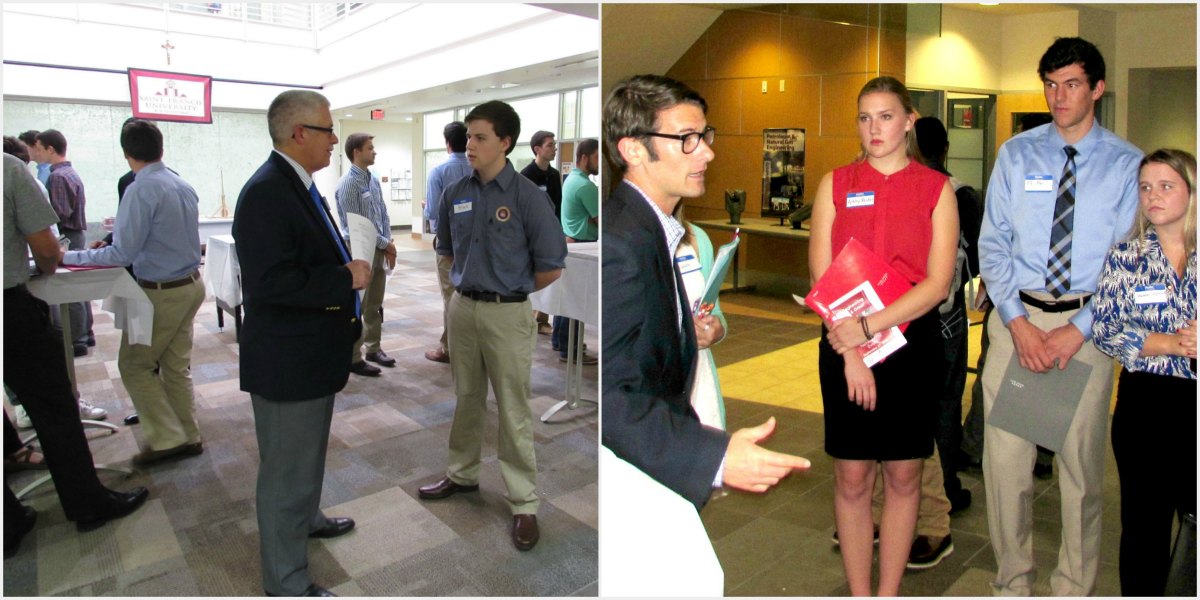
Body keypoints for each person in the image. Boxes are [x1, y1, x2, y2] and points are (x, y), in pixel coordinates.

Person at [600, 74, 811, 595]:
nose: (707, 153)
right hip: (629, 470)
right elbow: (610, 394)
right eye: (687, 139)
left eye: (706, 135)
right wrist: (713, 457)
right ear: (634, 149)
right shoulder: (624, 242)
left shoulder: (655, 230)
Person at [977, 37, 1142, 596]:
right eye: (1050, 84)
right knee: (1005, 469)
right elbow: (992, 245)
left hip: (1086, 331)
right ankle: (1012, 582)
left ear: (1096, 88)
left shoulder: (1126, 165)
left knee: (1080, 474)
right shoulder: (1017, 155)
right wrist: (1018, 323)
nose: (1058, 96)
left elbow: (1126, 259)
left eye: (1071, 84)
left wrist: (1078, 331)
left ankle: (1073, 586)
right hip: (1016, 322)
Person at [809, 75, 958, 596]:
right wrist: (851, 350)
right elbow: (821, 279)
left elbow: (937, 285)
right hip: (841, 344)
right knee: (852, 479)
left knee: (904, 477)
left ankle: (887, 592)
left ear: (909, 120)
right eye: (865, 117)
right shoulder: (836, 184)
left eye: (887, 116)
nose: (875, 128)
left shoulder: (936, 189)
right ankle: (859, 591)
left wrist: (868, 328)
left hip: (910, 346)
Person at [233, 90, 369, 597]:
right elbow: (271, 284)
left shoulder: (297, 184)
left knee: (305, 457)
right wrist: (344, 278)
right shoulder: (269, 191)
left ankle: (307, 520)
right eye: (327, 130)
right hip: (287, 359)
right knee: (285, 476)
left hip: (308, 353)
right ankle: (286, 582)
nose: (336, 139)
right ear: (298, 134)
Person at [419, 100, 567, 552]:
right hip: (463, 309)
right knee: (465, 397)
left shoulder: (527, 197)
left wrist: (511, 289)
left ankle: (524, 502)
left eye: (480, 137)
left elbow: (551, 266)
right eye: (468, 136)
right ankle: (461, 474)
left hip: (507, 312)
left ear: (505, 142)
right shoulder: (455, 191)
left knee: (512, 405)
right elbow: (446, 250)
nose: (470, 145)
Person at [4, 153, 149, 556]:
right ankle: (87, 502)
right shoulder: (9, 169)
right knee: (53, 408)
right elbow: (47, 250)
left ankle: (8, 521)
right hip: (8, 309)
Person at [62, 119, 207, 466]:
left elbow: (121, 254)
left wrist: (65, 256)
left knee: (134, 366)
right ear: (160, 148)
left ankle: (169, 438)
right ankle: (188, 434)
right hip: (189, 286)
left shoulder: (140, 189)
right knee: (174, 366)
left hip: (163, 293)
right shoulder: (179, 183)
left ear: (127, 153)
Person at [1092, 148, 1197, 596]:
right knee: (1143, 527)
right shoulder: (1125, 258)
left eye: (1166, 186)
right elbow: (1104, 329)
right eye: (1146, 187)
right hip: (1147, 403)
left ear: (1191, 192)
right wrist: (1172, 343)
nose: (1153, 196)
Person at [962, 111, 1055, 477]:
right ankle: (1040, 454)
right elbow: (997, 239)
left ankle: (978, 449)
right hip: (1017, 297)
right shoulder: (1022, 178)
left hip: (1021, 297)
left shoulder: (1031, 181)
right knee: (1028, 377)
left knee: (998, 378)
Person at [335, 132, 397, 377]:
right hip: (360, 250)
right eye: (370, 148)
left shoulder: (372, 180)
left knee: (374, 303)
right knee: (358, 304)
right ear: (356, 152)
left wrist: (388, 240)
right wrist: (386, 244)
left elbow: (381, 214)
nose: (374, 151)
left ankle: (373, 348)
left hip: (378, 247)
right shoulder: (349, 184)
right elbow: (357, 225)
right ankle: (353, 356)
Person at [34, 129, 94, 357]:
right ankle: (84, 334)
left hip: (68, 234)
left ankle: (77, 338)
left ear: (51, 149)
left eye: (39, 149)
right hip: (74, 233)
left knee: (72, 287)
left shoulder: (58, 177)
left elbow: (59, 212)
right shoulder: (69, 172)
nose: (37, 154)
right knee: (78, 285)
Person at [423, 121, 471, 364]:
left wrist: (426, 210)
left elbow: (433, 213)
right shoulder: (479, 168)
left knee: (451, 295)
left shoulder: (439, 172)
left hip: (448, 244)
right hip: (477, 243)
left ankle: (450, 348)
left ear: (448, 143)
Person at [554, 138, 600, 365]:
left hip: (571, 244)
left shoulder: (571, 179)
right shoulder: (586, 186)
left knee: (567, 296)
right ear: (584, 157)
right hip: (582, 246)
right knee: (577, 300)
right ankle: (570, 348)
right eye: (596, 157)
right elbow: (601, 220)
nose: (599, 162)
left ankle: (560, 342)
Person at [520, 130, 562, 336]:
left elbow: (558, 207)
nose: (554, 148)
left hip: (549, 234)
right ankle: (526, 316)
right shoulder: (525, 176)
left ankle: (542, 319)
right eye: (550, 145)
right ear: (537, 149)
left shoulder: (554, 176)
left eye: (554, 144)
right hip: (529, 235)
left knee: (548, 275)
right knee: (529, 275)